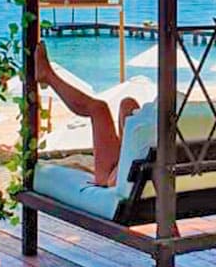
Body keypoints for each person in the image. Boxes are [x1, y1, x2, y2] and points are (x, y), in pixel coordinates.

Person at [35, 42, 139, 186]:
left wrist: (121, 168)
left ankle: (49, 76)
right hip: (138, 162)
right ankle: (48, 76)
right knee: (128, 104)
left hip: (115, 178)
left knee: (98, 108)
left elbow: (114, 181)